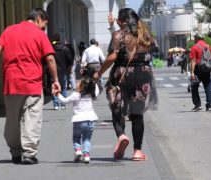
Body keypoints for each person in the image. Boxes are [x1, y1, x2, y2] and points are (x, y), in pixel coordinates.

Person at [0, 8, 61, 165]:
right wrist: (55, 80)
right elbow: (50, 59)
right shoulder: (40, 34)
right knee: (32, 119)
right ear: (38, 19)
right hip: (32, 84)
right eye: (44, 25)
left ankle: (15, 151)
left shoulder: (9, 30)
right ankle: (28, 153)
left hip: (11, 84)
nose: (44, 29)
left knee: (12, 120)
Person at [94, 8, 158, 161]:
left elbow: (112, 57)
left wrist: (99, 73)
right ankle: (137, 151)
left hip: (122, 75)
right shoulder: (146, 35)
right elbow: (152, 48)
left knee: (117, 108)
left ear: (122, 21)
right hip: (143, 75)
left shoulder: (119, 35)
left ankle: (121, 135)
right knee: (137, 113)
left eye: (118, 21)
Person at [56, 75, 99, 163]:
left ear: (82, 86)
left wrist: (58, 94)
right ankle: (86, 155)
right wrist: (95, 81)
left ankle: (78, 150)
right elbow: (97, 90)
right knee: (87, 139)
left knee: (76, 137)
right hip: (90, 120)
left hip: (78, 120)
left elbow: (64, 101)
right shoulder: (91, 94)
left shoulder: (76, 95)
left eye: (78, 82)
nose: (77, 82)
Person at [189, 33, 211, 112]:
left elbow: (193, 60)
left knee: (194, 87)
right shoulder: (208, 46)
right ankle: (209, 105)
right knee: (207, 86)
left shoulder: (195, 47)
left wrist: (192, 73)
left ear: (196, 38)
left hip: (198, 69)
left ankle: (198, 105)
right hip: (206, 68)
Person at [50, 33, 73, 110]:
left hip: (53, 71)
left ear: (53, 39)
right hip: (63, 70)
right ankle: (63, 104)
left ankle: (56, 104)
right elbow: (70, 59)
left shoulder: (51, 48)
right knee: (63, 88)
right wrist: (68, 67)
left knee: (54, 87)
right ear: (59, 39)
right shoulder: (64, 48)